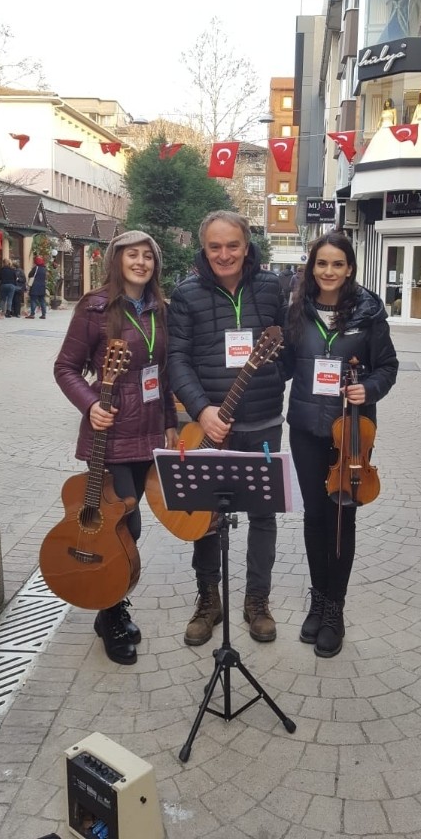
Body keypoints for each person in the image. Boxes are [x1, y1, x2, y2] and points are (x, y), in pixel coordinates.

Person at [54, 230, 178, 665]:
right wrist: (90, 406)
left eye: (148, 256)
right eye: (132, 255)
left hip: (148, 435)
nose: (141, 262)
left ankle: (109, 606)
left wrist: (170, 423)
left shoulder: (160, 309)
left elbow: (162, 374)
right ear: (117, 260)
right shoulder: (95, 307)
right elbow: (66, 368)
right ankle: (110, 613)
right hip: (108, 435)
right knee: (121, 526)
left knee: (123, 526)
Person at [168, 211, 288, 647]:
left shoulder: (271, 287)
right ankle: (208, 600)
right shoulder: (186, 293)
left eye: (232, 245)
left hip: (263, 422)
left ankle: (257, 601)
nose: (224, 254)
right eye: (215, 246)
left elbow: (288, 345)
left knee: (263, 514)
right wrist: (201, 411)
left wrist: (274, 377)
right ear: (204, 248)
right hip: (210, 427)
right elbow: (177, 359)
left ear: (246, 245)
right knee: (205, 514)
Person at [285, 232, 398, 658]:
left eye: (337, 264)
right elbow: (284, 366)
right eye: (321, 263)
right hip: (305, 428)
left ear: (349, 268)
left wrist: (369, 388)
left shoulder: (368, 311)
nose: (328, 271)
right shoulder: (298, 309)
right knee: (315, 516)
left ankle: (335, 609)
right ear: (311, 267)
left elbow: (387, 365)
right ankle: (318, 600)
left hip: (352, 431)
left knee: (341, 517)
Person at [358, 98, 398, 164]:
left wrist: (394, 127)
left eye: (388, 102)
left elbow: (395, 119)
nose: (387, 103)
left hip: (390, 125)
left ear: (390, 103)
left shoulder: (393, 110)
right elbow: (380, 120)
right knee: (379, 140)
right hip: (383, 126)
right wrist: (378, 126)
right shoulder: (383, 111)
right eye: (386, 102)